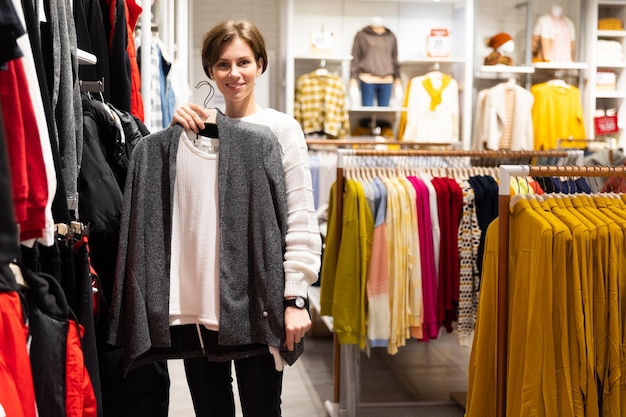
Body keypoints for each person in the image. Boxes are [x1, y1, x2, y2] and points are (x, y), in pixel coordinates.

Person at [109, 19, 322, 417]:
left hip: (257, 299)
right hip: (199, 300)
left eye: (243, 62)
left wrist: (296, 298)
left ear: (261, 64)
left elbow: (300, 219)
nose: (234, 73)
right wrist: (175, 136)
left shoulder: (280, 130)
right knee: (209, 406)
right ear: (209, 70)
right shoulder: (192, 128)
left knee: (262, 406)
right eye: (223, 64)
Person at [349, 17, 403, 107]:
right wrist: (353, 79)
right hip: (367, 79)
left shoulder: (390, 36)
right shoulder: (362, 35)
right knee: (366, 112)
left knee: (384, 114)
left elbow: (394, 58)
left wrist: (398, 79)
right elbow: (355, 57)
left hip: (387, 80)